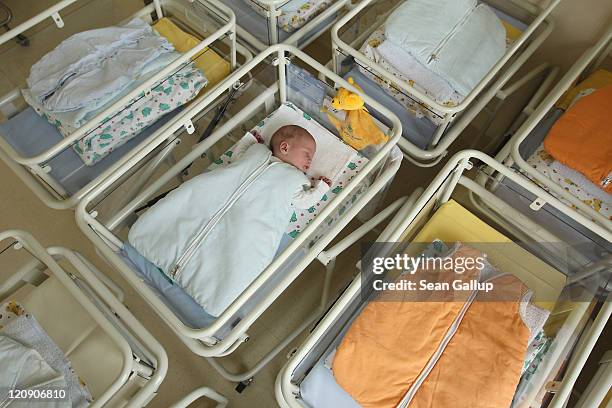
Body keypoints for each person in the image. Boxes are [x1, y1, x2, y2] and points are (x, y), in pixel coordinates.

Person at [127, 124, 332, 317]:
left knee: (234, 253)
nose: (309, 163)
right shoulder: (257, 153)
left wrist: (320, 188)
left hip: (249, 222)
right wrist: (249, 140)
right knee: (185, 212)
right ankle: (156, 244)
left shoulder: (294, 181)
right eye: (307, 155)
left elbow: (304, 202)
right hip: (211, 198)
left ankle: (213, 292)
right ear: (285, 147)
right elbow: (238, 156)